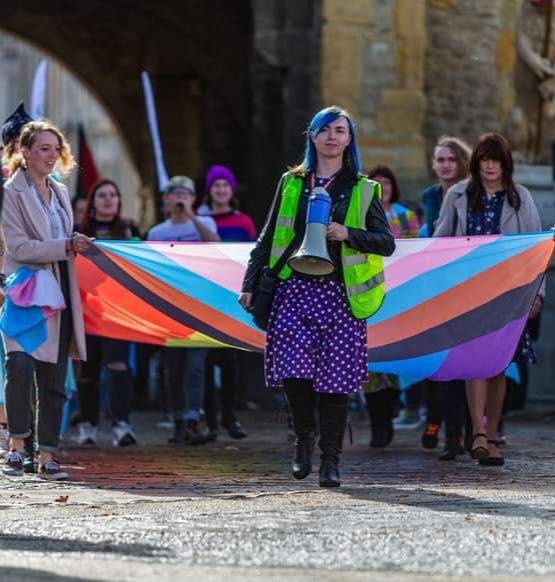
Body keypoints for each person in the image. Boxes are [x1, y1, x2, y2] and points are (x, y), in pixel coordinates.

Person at [239, 105, 395, 487]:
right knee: (295, 373)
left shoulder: (363, 188)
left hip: (340, 294)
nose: (332, 137)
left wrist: (347, 233)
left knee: (336, 382)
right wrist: (249, 282)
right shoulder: (292, 182)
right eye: (324, 130)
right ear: (312, 136)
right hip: (293, 288)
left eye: (339, 131)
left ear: (349, 139)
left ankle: (331, 460)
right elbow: (268, 235)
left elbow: (386, 243)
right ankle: (303, 440)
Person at [434, 132, 543, 467]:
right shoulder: (458, 195)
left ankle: (492, 433)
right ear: (477, 162)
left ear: (505, 162)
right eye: (484, 158)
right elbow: (440, 243)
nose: (490, 165)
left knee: (498, 366)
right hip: (469, 291)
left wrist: (537, 294)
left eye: (496, 159)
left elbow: (536, 251)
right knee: (475, 363)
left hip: (510, 293)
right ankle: (478, 433)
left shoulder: (519, 197)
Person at [0, 120, 93, 480]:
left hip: (60, 293)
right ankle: (18, 445)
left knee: (54, 378)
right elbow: (18, 246)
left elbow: (65, 238)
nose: (52, 155)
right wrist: (66, 245)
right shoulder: (10, 193)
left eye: (56, 149)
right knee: (19, 367)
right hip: (26, 294)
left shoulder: (59, 191)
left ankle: (48, 454)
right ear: (24, 151)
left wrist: (77, 242)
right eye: (43, 148)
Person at [148, 175, 220, 445]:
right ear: (165, 200)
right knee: (173, 369)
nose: (179, 199)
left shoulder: (206, 223)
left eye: (185, 194)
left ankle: (193, 417)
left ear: (193, 199)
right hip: (171, 310)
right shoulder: (157, 233)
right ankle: (178, 419)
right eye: (174, 194)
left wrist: (192, 217)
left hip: (199, 308)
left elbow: (216, 244)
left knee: (196, 367)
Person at [76, 179, 141, 447]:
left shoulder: (128, 230)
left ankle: (121, 426)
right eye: (102, 195)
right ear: (93, 202)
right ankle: (88, 426)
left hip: (118, 312)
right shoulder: (79, 232)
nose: (108, 199)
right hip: (87, 311)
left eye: (113, 195)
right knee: (87, 372)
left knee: (118, 367)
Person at [420, 136, 472, 460]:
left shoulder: (473, 192)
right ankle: (445, 430)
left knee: (467, 363)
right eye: (440, 159)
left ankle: (468, 429)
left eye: (451, 159)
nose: (445, 165)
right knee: (440, 364)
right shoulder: (429, 196)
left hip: (468, 283)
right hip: (438, 285)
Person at [198, 164, 256, 439]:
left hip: (232, 298)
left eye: (225, 185)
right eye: (216, 185)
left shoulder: (243, 221)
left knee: (231, 360)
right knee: (206, 362)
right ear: (209, 191)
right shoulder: (199, 220)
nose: (221, 190)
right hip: (205, 298)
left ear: (231, 190)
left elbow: (252, 255)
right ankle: (209, 419)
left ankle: (230, 416)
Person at [363, 165, 419, 447]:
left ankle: (391, 415)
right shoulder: (358, 214)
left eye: (386, 182)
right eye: (376, 183)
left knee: (393, 364)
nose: (382, 187)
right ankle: (377, 425)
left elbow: (414, 251)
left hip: (397, 296)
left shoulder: (404, 216)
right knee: (371, 366)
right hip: (367, 294)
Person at [0, 103, 35, 460]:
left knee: (31, 362)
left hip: (36, 283)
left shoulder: (49, 186)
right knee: (10, 363)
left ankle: (30, 435)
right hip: (5, 279)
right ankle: (11, 434)